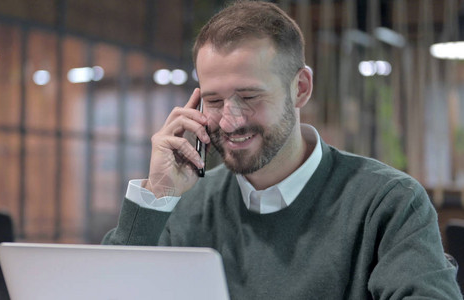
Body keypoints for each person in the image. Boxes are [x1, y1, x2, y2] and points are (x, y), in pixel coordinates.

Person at [103, 1, 462, 299]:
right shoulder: (187, 205)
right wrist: (159, 195)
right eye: (213, 100)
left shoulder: (387, 202)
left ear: (301, 88)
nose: (230, 120)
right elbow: (107, 290)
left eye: (249, 96)